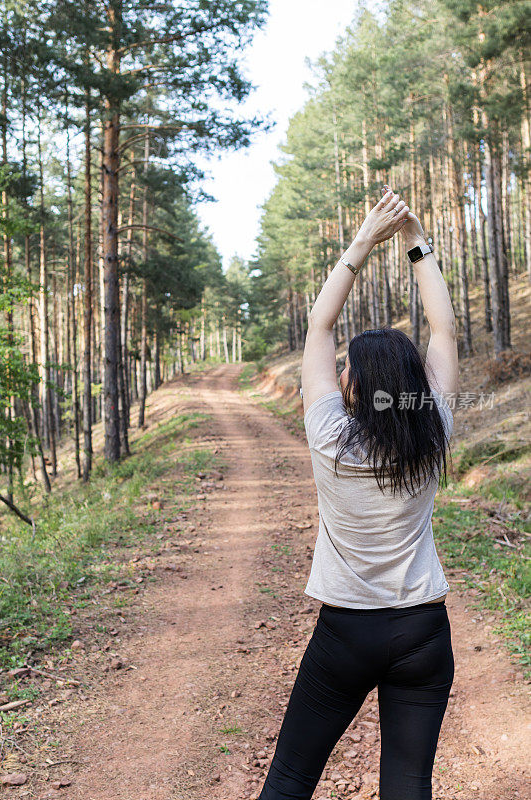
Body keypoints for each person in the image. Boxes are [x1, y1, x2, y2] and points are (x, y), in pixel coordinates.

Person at [257, 186, 458, 800]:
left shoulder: (328, 437)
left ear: (354, 386)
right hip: (424, 630)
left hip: (347, 632)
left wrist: (365, 240)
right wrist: (415, 240)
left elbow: (320, 324)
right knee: (407, 786)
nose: (339, 371)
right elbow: (444, 329)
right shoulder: (434, 430)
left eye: (346, 368)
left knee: (291, 778)